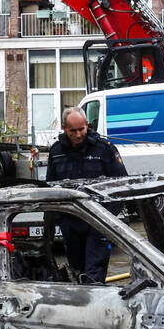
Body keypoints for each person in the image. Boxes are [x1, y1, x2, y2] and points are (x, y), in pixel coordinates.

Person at [46, 107, 128, 284]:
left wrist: (106, 220)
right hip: (71, 226)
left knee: (93, 279)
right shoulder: (56, 152)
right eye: (72, 131)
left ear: (87, 125)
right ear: (64, 128)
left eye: (81, 129)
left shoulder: (104, 149)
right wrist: (61, 220)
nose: (77, 135)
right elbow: (50, 190)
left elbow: (122, 186)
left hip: (98, 225)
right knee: (77, 274)